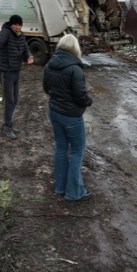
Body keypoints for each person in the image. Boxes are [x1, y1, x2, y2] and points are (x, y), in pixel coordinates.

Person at [43, 34, 93, 201]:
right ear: (75, 48)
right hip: (71, 116)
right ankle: (74, 193)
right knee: (78, 151)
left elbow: (46, 88)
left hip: (54, 112)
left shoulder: (50, 64)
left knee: (61, 149)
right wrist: (89, 101)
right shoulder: (75, 68)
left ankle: (60, 187)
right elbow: (80, 95)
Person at [0, 14, 34, 140]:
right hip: (6, 72)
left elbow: (25, 48)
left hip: (16, 71)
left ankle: (9, 124)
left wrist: (29, 56)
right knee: (9, 101)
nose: (17, 27)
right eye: (15, 24)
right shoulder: (6, 33)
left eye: (19, 25)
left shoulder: (21, 35)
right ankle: (7, 127)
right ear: (11, 24)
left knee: (15, 100)